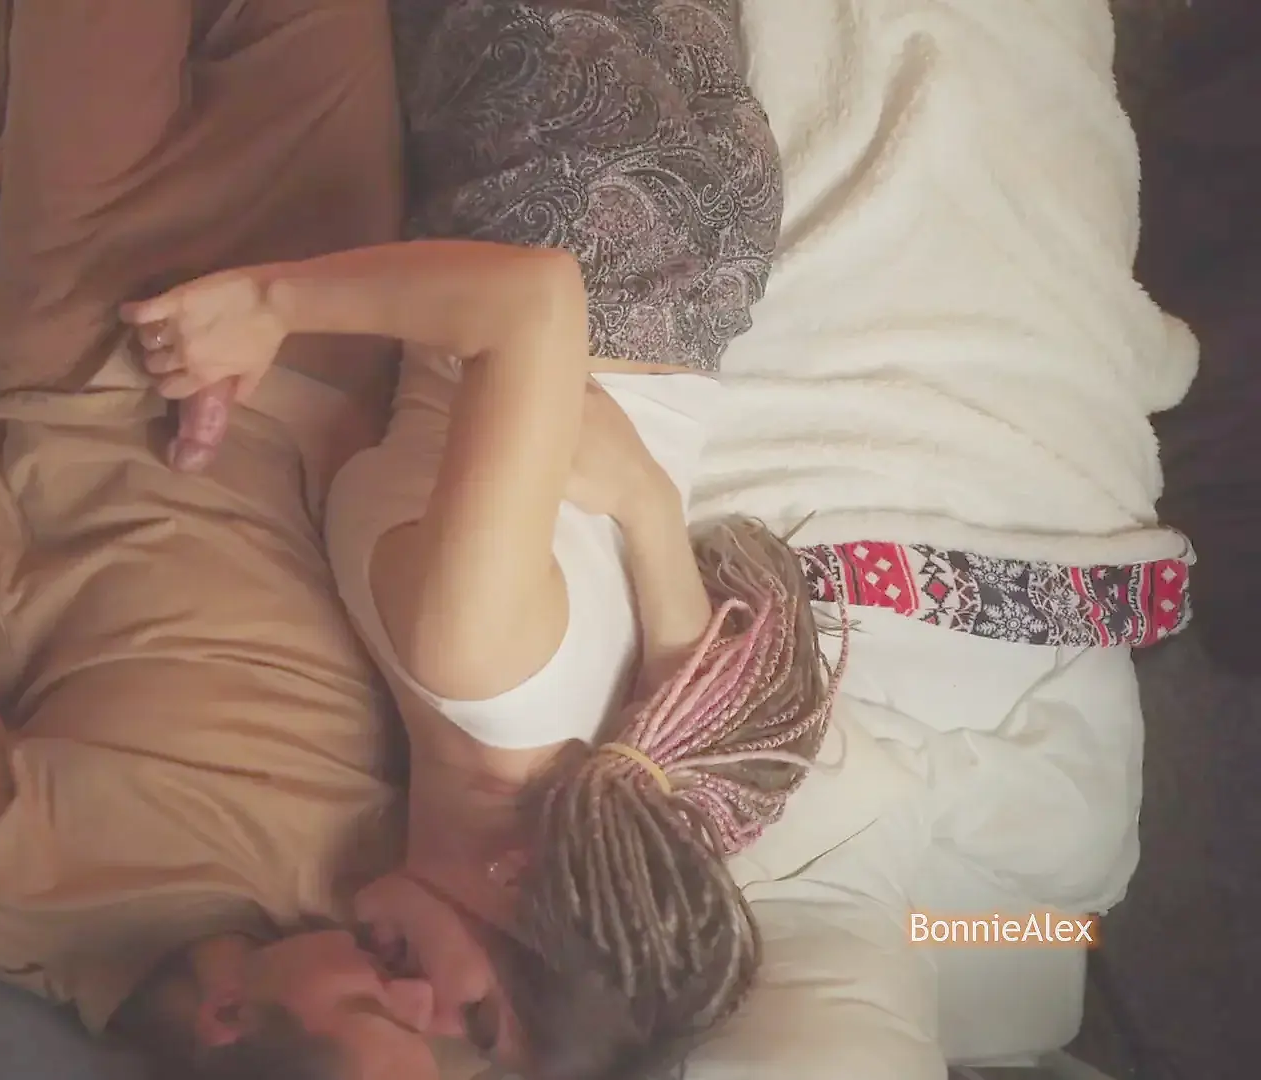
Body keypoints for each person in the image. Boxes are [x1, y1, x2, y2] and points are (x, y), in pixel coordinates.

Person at [118, 3, 836, 1077]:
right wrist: (271, 304)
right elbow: (533, 305)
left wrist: (647, 506)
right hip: (576, 182)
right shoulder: (482, 676)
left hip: (700, 250)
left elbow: (724, 703)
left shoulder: (597, 773)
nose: (421, 1008)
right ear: (524, 900)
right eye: (475, 1020)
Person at [0, 1, 468, 1077]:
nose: (419, 995)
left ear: (227, 1020)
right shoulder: (387, 896)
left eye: (382, 1012)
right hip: (310, 340)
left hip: (88, 333)